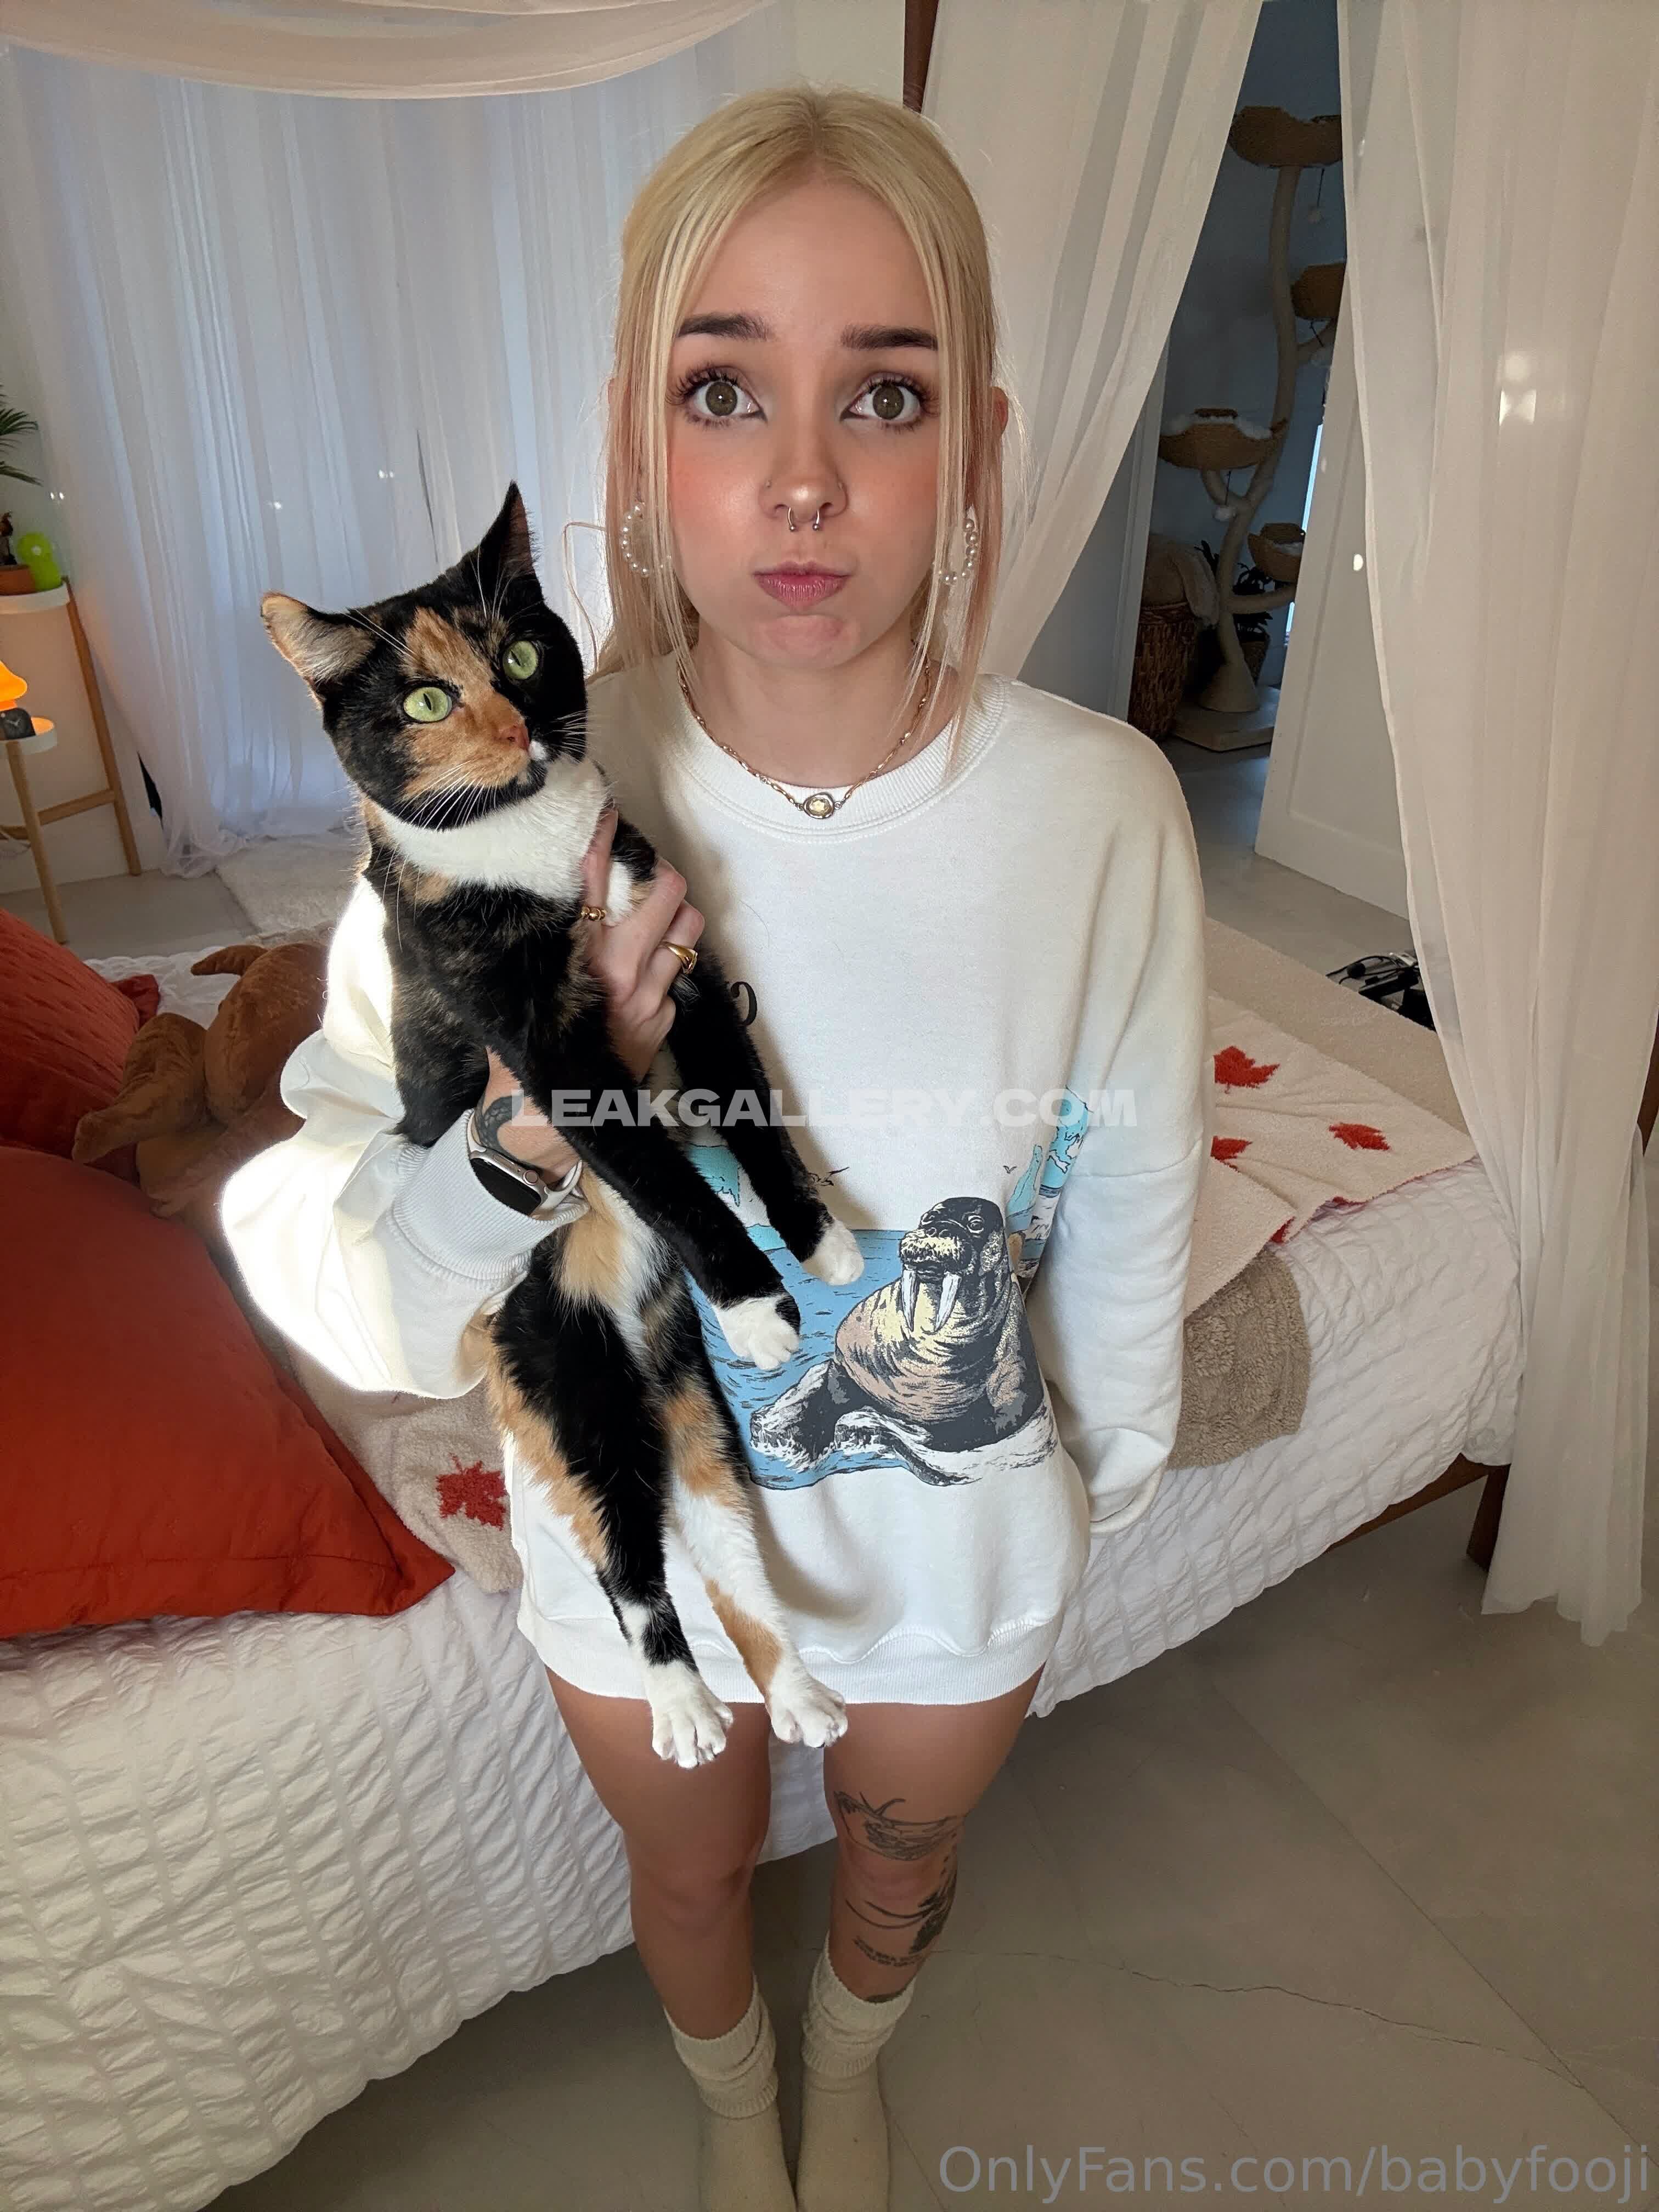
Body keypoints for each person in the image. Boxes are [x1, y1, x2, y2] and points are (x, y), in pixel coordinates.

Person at [222, 84, 1208, 2212]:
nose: (802, 477)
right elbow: (329, 1247)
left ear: (979, 445)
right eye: (724, 389)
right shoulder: (482, 822)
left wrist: (1102, 1474)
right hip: (643, 1542)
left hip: (964, 1545)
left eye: (887, 395)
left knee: (900, 1866)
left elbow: (1134, 1178)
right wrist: (511, 1148)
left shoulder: (1107, 811)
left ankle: (851, 2061)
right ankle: (734, 2095)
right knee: (688, 1879)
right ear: (634, 439)